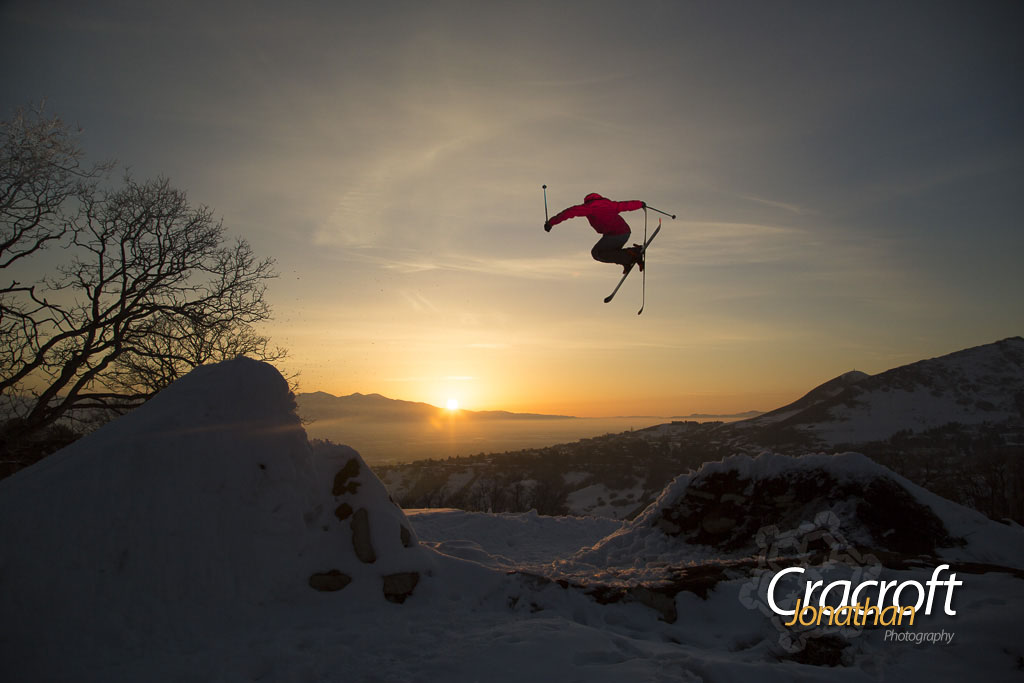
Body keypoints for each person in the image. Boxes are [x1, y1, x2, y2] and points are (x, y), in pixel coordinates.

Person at [544, 193, 647, 273]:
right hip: (624, 232)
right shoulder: (610, 204)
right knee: (609, 250)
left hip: (616, 234)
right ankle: (627, 258)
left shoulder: (589, 207)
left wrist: (551, 223)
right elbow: (626, 205)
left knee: (597, 253)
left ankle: (630, 255)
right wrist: (640, 204)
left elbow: (569, 212)